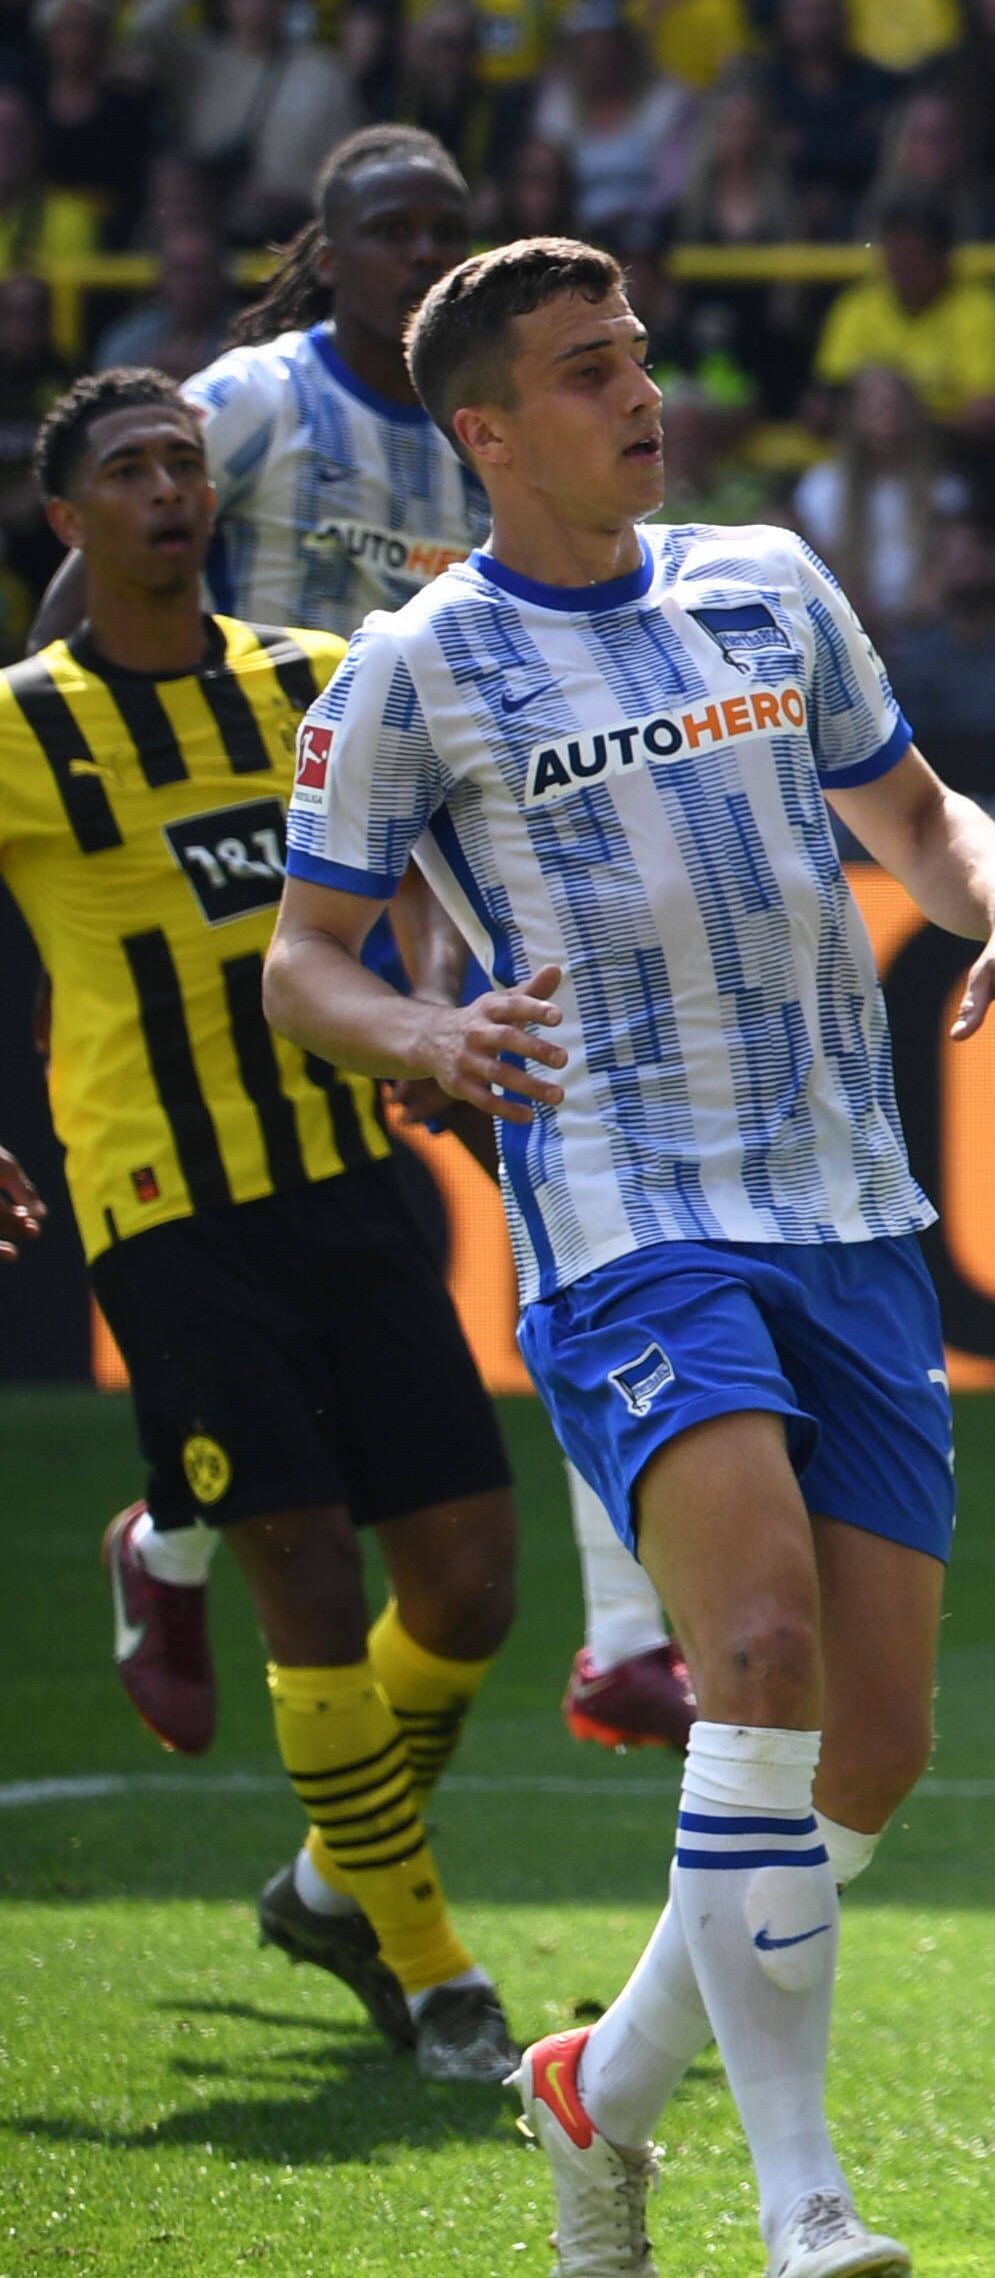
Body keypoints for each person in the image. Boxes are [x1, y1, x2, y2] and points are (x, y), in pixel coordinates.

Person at [266, 235, 995, 2278]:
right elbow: (303, 964)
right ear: (484, 430)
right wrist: (427, 1033)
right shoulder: (417, 666)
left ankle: (599, 2086)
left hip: (850, 1201)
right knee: (760, 1664)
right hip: (629, 1211)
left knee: (875, 1747)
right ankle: (803, 2205)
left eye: (637, 356)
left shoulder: (767, 580)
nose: (639, 394)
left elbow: (911, 812)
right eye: (583, 371)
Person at [51, 128, 697, 1758]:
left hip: (423, 858)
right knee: (267, 1244)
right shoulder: (259, 402)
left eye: (447, 228)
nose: (421, 252)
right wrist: (92, 776)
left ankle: (622, 1632)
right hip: (252, 867)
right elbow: (104, 556)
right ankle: (178, 1536)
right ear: (327, 253)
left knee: (571, 1164)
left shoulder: (485, 424)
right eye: (392, 230)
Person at [2, 372, 523, 2083]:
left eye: (183, 464)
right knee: (303, 1557)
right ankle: (432, 1967)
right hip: (166, 1210)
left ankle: (325, 1881)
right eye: (128, 473)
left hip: (343, 1174)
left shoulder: (314, 687)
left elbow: (444, 853)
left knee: (466, 1581)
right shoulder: (24, 725)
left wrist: (434, 1006)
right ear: (67, 523)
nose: (168, 490)